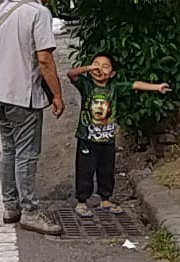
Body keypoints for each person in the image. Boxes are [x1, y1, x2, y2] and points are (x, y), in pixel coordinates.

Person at [0, 0, 65, 236]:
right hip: (21, 95)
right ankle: (30, 211)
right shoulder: (38, 12)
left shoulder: (3, 8)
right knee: (27, 153)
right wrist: (57, 94)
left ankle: (11, 207)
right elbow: (44, 59)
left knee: (9, 149)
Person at [66, 54, 170, 217]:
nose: (99, 68)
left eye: (105, 66)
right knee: (85, 170)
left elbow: (135, 84)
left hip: (107, 139)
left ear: (112, 73)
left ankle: (105, 199)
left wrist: (156, 87)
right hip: (87, 138)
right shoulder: (86, 85)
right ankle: (82, 201)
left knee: (106, 169)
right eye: (96, 64)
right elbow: (71, 74)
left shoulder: (114, 87)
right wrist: (87, 68)